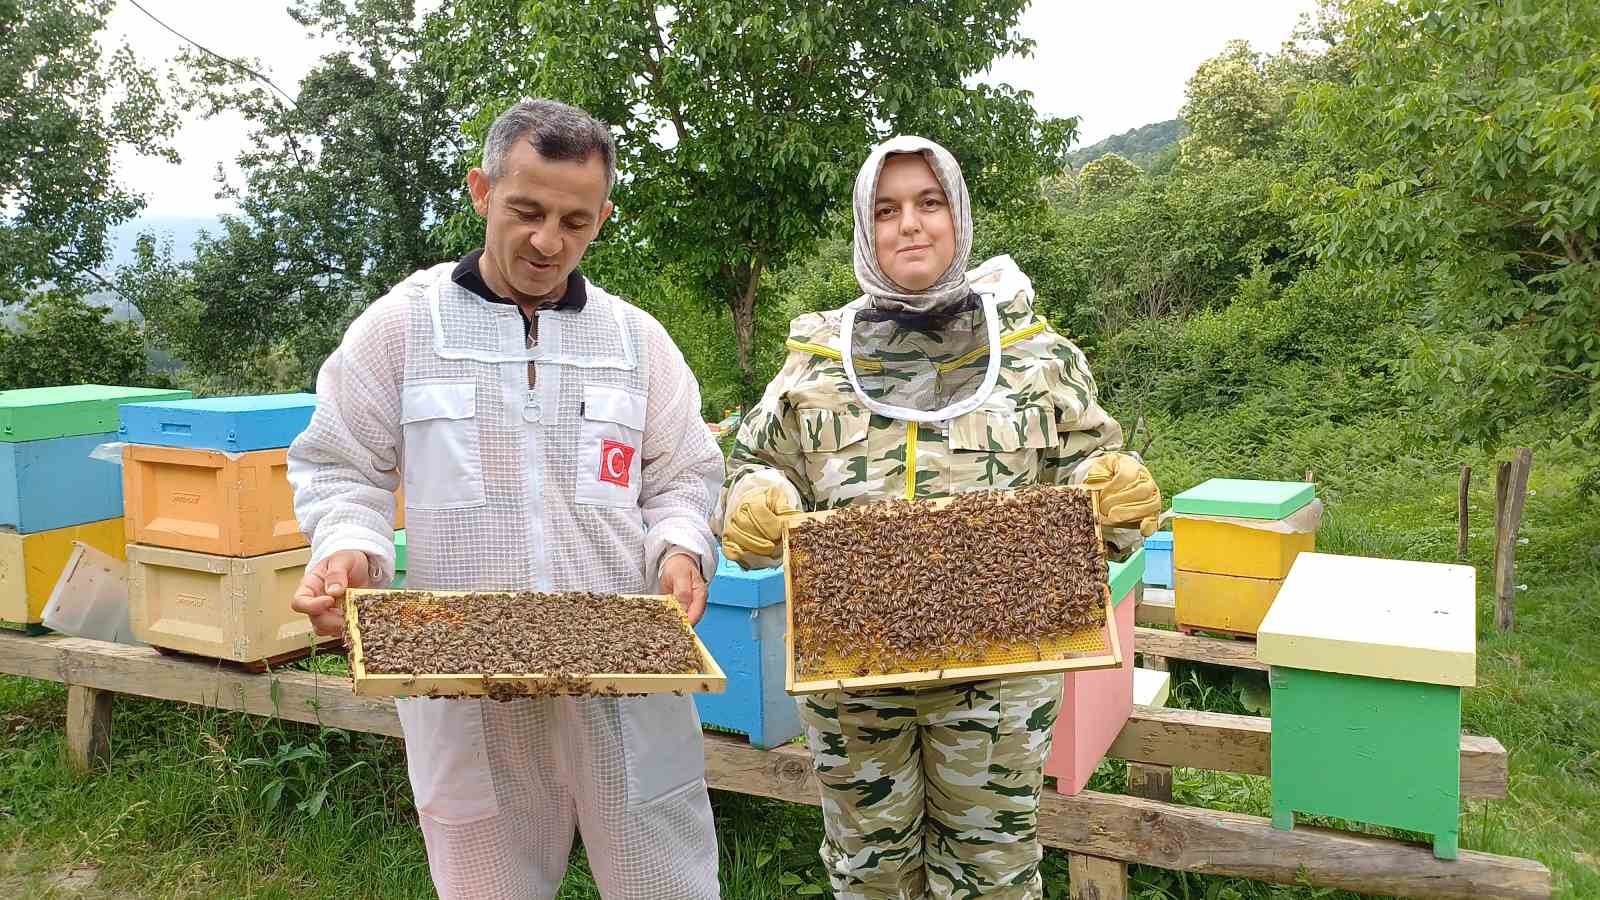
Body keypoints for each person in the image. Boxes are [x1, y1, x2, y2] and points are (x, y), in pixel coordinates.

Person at [286, 98, 724, 900]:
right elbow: (343, 466)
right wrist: (349, 544)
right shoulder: (400, 328)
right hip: (464, 681)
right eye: (527, 210)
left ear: (604, 217)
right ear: (482, 191)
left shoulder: (637, 341)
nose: (548, 241)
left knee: (666, 881)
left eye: (576, 220)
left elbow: (683, 475)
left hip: (621, 679)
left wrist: (683, 546)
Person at [718, 135, 1160, 899]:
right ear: (865, 227)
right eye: (887, 210)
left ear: (958, 216)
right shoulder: (814, 361)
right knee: (871, 874)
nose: (910, 225)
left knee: (993, 872)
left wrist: (1111, 488)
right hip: (850, 679)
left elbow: (1087, 478)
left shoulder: (1036, 354)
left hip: (1001, 684)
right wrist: (759, 499)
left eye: (929, 203)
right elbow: (757, 464)